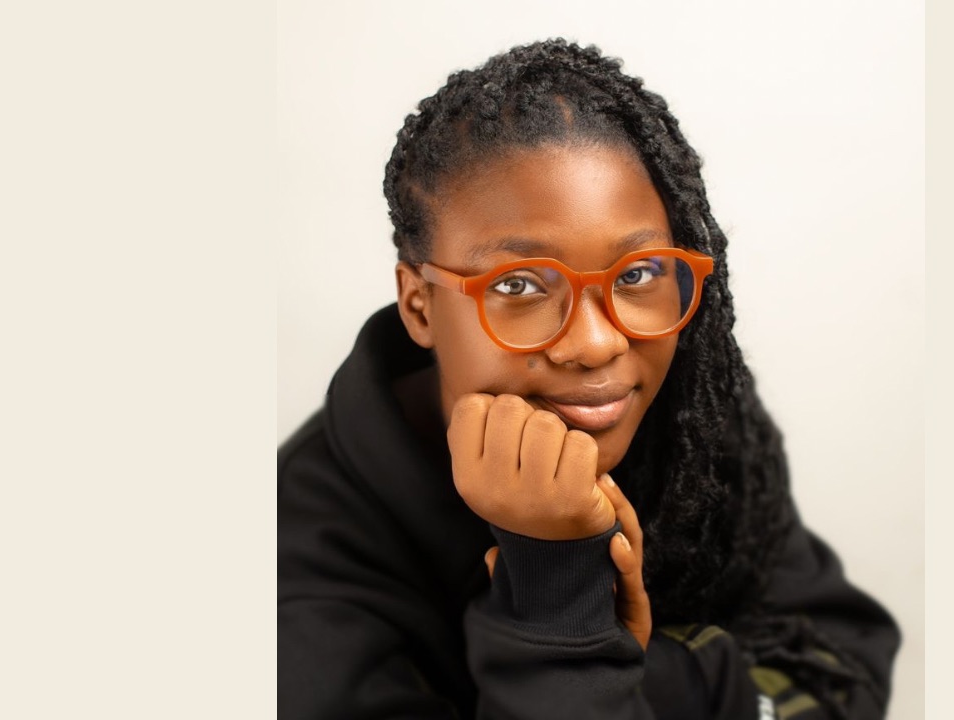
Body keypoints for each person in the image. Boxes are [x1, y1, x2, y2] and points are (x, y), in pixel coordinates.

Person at [278, 38, 901, 720]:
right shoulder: (296, 576)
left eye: (635, 276)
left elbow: (841, 674)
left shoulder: (693, 415)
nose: (598, 343)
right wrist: (556, 600)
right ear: (419, 305)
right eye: (519, 284)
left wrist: (654, 673)